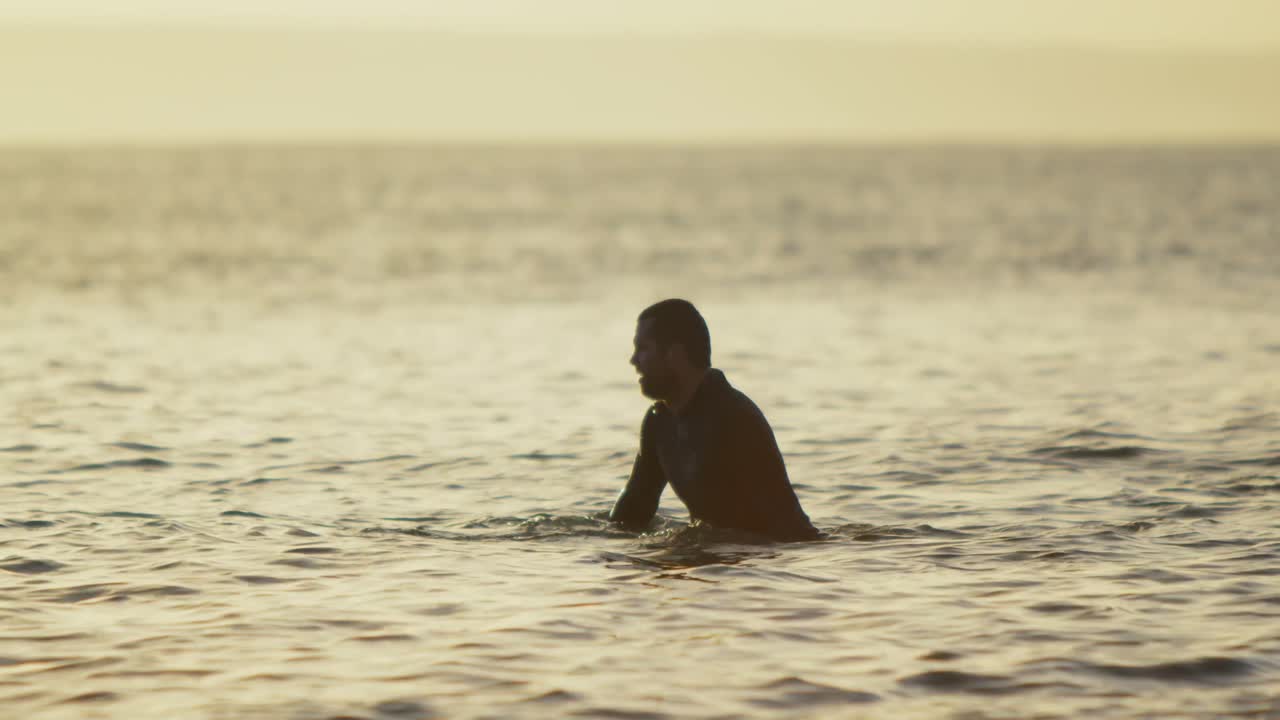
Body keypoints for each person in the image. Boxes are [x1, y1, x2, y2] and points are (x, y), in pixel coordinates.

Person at [609, 299, 819, 541]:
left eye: (643, 349)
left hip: (763, 566)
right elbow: (632, 512)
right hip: (717, 566)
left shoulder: (733, 417)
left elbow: (781, 526)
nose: (634, 361)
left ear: (675, 354)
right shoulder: (660, 423)